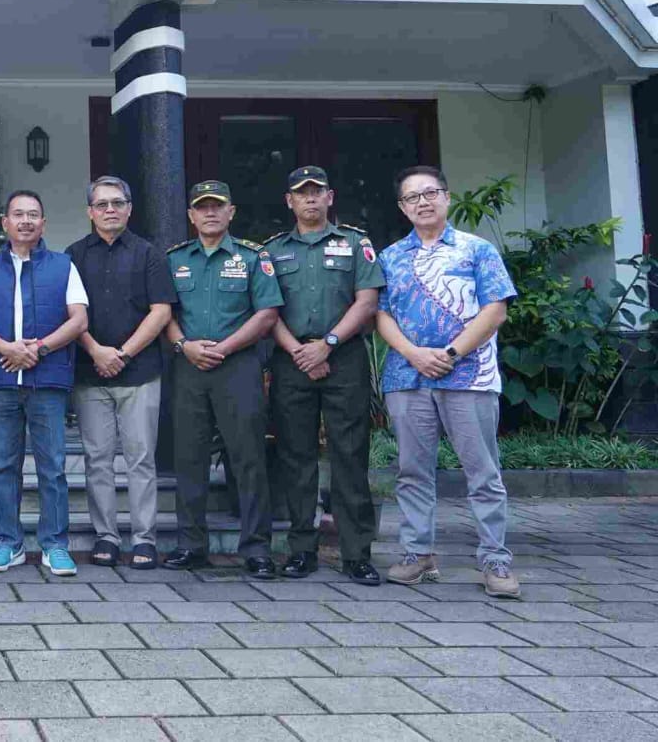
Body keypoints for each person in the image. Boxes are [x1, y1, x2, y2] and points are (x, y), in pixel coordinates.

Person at [375, 165, 519, 598]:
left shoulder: (477, 250)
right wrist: (414, 353)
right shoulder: (390, 257)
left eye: (430, 193)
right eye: (412, 197)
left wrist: (451, 353)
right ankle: (418, 554)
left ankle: (495, 560)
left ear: (447, 197)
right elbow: (381, 315)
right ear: (402, 207)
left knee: (483, 472)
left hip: (470, 376)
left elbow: (495, 311)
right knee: (412, 471)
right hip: (407, 376)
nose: (422, 202)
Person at [263, 166, 386, 586]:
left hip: (343, 356)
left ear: (330, 197)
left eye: (317, 191)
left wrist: (327, 344)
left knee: (349, 454)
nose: (310, 198)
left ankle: (357, 553)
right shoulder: (272, 250)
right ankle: (301, 550)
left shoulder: (355, 243)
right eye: (302, 193)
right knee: (295, 456)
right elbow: (267, 309)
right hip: (291, 358)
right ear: (290, 201)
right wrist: (300, 351)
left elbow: (367, 301)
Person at [163, 180, 284, 579]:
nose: (210, 212)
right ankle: (191, 545)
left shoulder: (253, 256)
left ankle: (257, 548)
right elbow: (164, 313)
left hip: (238, 367)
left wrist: (225, 348)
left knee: (248, 457)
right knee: (189, 457)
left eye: (218, 206)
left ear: (231, 212)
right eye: (202, 207)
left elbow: (267, 314)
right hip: (189, 368)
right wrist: (184, 346)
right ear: (191, 215)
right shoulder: (175, 259)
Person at [0, 190, 88, 575]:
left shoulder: (63, 266)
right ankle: (8, 543)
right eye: (18, 214)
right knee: (4, 466)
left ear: (43, 223)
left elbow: (79, 320)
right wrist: (8, 349)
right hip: (2, 378)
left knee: (52, 466)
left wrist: (39, 348)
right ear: (5, 222)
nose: (25, 221)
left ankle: (55, 545)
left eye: (33, 215)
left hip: (47, 379)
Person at [65, 175, 174, 570]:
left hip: (140, 372)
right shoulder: (73, 256)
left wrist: (123, 355)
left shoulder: (149, 255)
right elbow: (68, 314)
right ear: (90, 212)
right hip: (89, 373)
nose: (110, 210)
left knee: (140, 458)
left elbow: (161, 311)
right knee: (97, 459)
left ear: (129, 209)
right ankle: (106, 537)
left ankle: (144, 539)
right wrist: (96, 351)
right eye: (102, 204)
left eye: (117, 203)